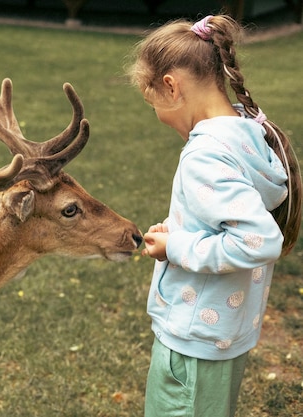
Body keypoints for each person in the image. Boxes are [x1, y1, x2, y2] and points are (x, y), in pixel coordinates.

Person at [127, 14, 302, 417]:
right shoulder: (246, 131)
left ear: (170, 86)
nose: (157, 114)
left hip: (195, 340)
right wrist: (177, 231)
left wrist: (177, 246)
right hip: (223, 332)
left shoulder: (205, 154)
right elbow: (227, 214)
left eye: (151, 100)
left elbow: (257, 240)